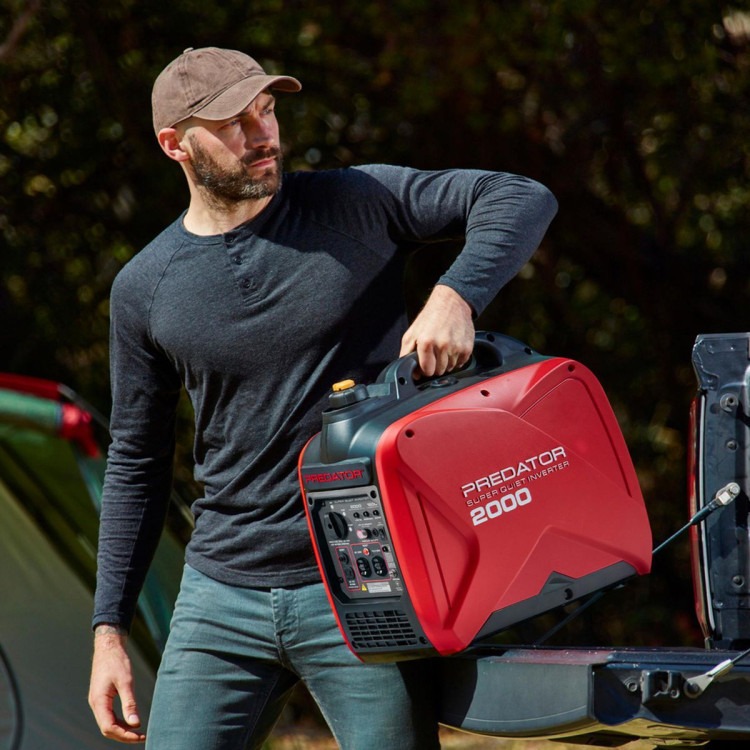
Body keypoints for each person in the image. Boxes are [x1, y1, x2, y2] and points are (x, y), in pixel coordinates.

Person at [88, 46, 557, 749]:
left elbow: (519, 195)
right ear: (174, 145)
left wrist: (455, 295)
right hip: (219, 597)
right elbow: (136, 462)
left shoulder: (354, 203)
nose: (263, 135)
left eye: (267, 111)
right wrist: (108, 632)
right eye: (234, 123)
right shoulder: (144, 288)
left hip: (366, 581)